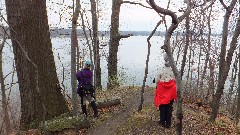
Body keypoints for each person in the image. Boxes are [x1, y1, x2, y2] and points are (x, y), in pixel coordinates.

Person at [154, 53, 177, 128]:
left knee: (162, 106)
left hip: (162, 91)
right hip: (171, 91)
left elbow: (157, 80)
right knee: (169, 106)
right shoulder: (173, 70)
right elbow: (176, 80)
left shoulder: (161, 70)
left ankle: (162, 122)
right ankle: (168, 123)